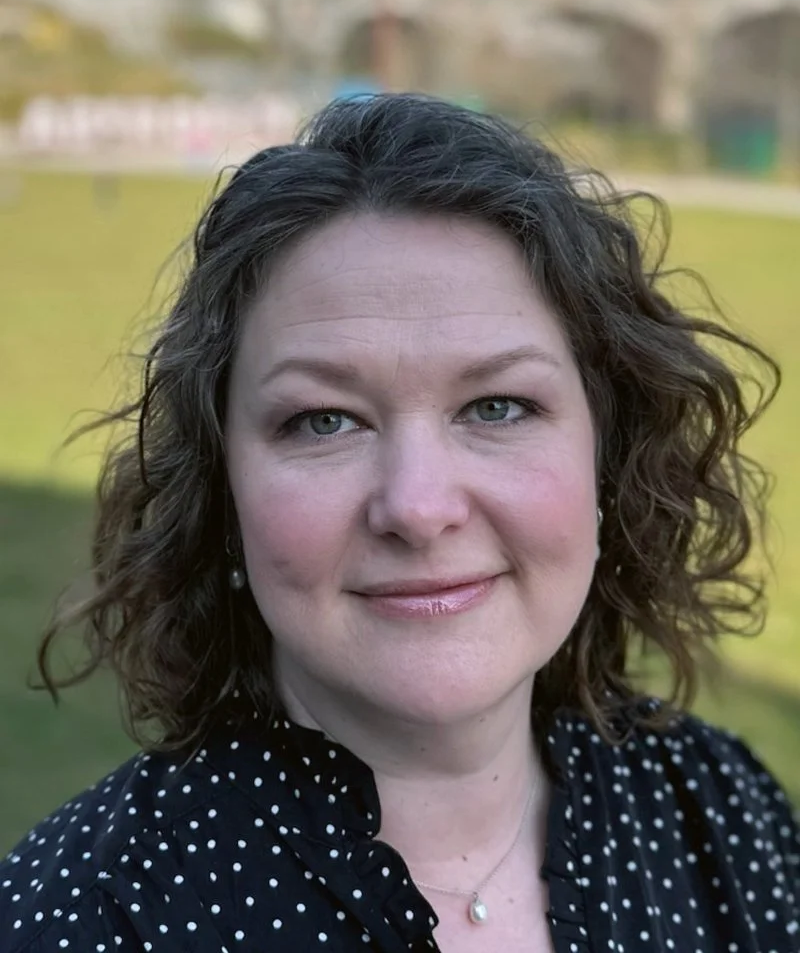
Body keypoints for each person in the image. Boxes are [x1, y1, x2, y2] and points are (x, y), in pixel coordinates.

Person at [1, 93, 798, 953]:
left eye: (497, 405)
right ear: (223, 490)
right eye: (324, 420)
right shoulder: (80, 918)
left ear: (607, 459)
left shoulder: (720, 815)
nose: (418, 508)